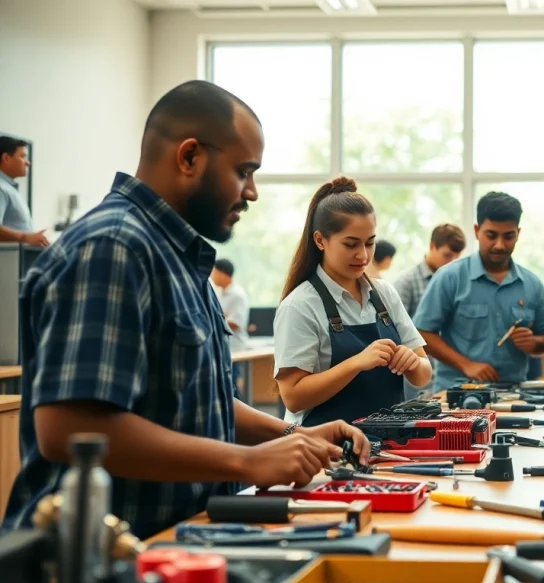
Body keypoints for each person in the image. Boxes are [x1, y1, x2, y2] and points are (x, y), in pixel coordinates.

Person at [1, 80, 370, 541]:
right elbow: (70, 428)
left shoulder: (174, 255)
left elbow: (196, 400)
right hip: (102, 556)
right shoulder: (113, 247)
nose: (251, 192)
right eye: (244, 171)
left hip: (179, 543)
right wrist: (246, 461)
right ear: (189, 156)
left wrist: (291, 437)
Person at [273, 177, 432, 427]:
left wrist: (412, 363)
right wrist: (357, 363)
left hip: (389, 443)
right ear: (320, 240)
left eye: (370, 242)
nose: (364, 255)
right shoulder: (300, 306)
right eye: (351, 244)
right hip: (326, 450)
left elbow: (424, 372)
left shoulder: (384, 294)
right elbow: (293, 397)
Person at [414, 191, 544, 390]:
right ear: (477, 231)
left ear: (518, 234)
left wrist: (533, 343)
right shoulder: (450, 277)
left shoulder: (532, 284)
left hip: (514, 395)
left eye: (508, 236)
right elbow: (422, 333)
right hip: (457, 392)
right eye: (491, 235)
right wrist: (466, 365)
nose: (500, 245)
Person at [392, 223, 467, 399]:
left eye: (457, 257)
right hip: (417, 374)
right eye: (447, 255)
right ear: (432, 246)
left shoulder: (456, 282)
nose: (452, 261)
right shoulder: (407, 282)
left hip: (448, 373)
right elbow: (394, 330)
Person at [0, 136, 47, 246]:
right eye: (23, 157)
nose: (28, 163)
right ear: (6, 158)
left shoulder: (9, 189)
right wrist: (24, 237)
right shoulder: (1, 188)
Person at [211, 258, 250, 391]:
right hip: (222, 346)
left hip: (234, 347)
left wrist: (216, 319)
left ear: (223, 273)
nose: (212, 276)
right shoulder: (219, 292)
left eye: (214, 272)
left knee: (231, 386)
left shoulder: (237, 294)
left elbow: (235, 323)